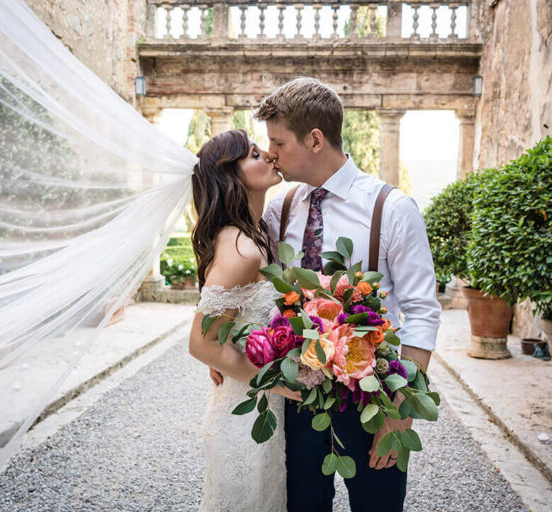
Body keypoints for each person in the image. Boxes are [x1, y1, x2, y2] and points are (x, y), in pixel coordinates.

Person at [257, 77, 442, 512]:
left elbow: (422, 312)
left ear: (315, 139)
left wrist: (402, 411)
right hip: (298, 401)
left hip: (374, 397)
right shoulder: (278, 208)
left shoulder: (392, 209)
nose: (271, 153)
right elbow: (252, 286)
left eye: (278, 142)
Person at [187, 129, 299, 512]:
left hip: (262, 411)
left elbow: (225, 330)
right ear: (231, 175)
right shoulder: (241, 248)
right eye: (254, 154)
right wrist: (280, 385)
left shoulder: (261, 232)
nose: (269, 155)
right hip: (244, 421)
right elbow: (200, 343)